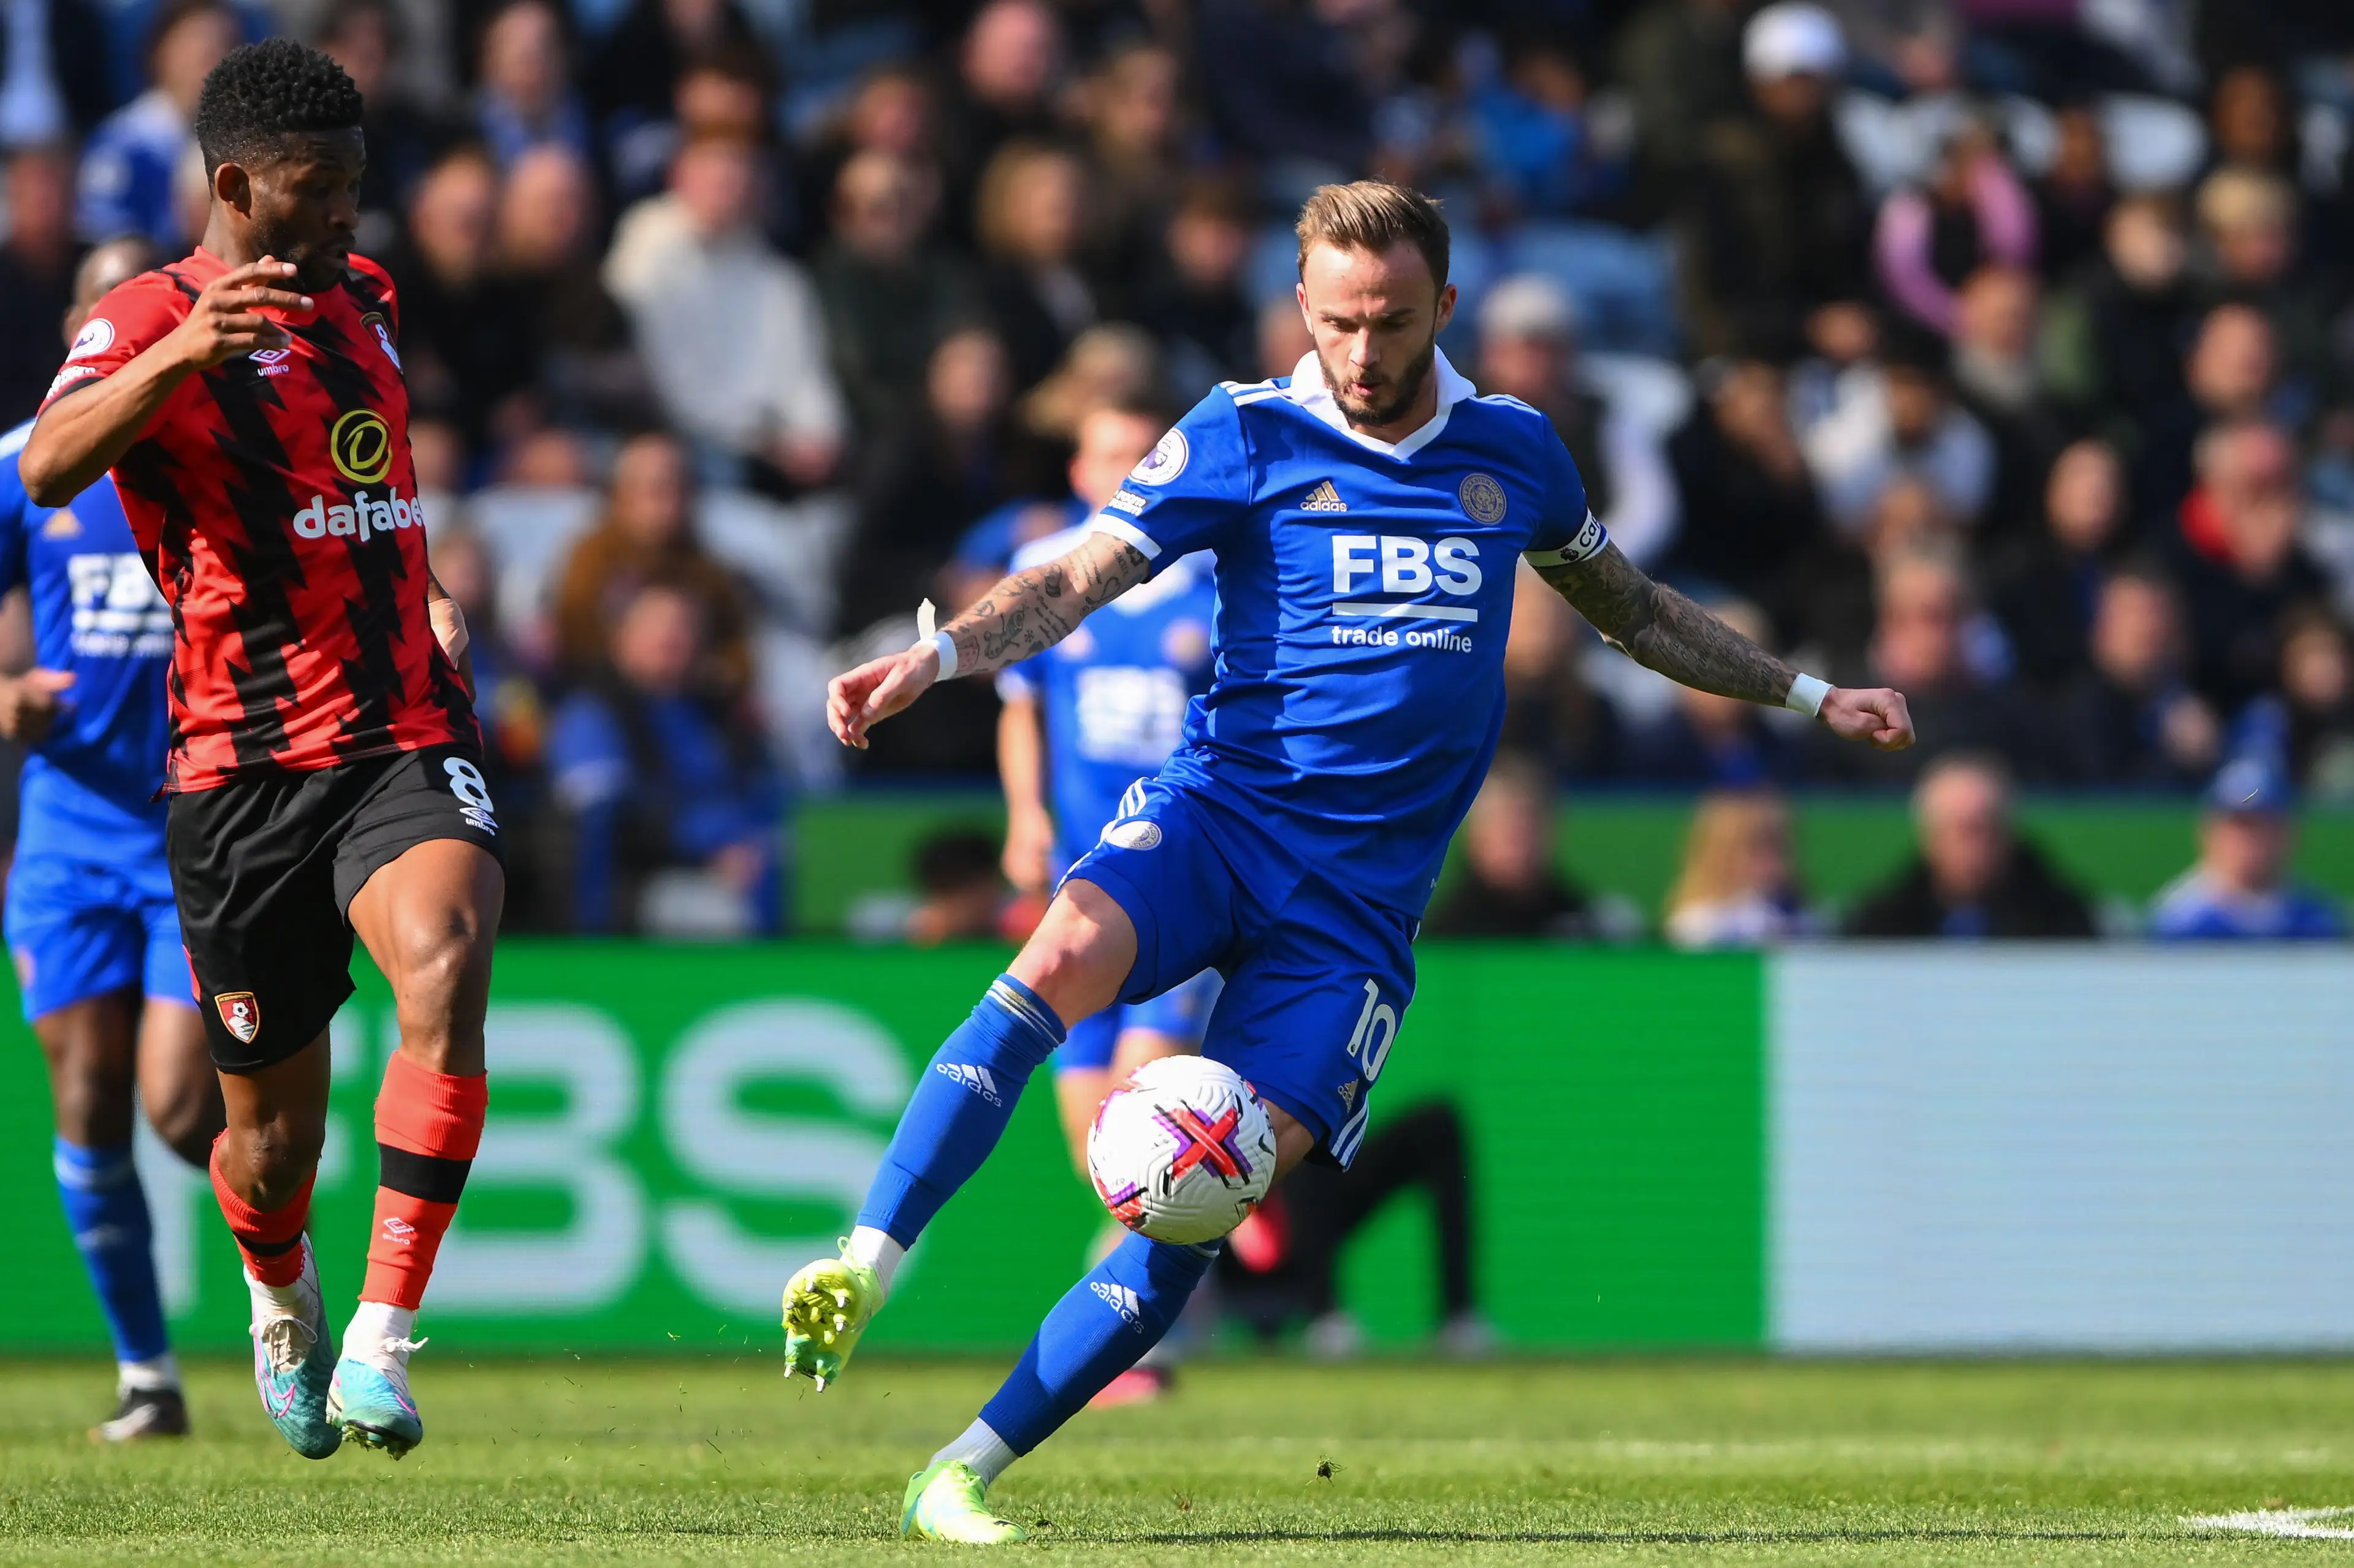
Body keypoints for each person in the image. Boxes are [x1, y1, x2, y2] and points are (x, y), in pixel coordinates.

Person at [803, 180, 1912, 1542]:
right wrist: (944, 654)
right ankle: (864, 1264)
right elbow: (1080, 575)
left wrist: (1808, 695)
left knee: (1204, 1194)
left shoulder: (1516, 453)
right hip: (1222, 817)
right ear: (1301, 308)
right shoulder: (1245, 430)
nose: (1363, 352)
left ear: (1445, 308)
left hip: (1358, 910)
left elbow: (1634, 613)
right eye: (1336, 320)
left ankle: (960, 1468)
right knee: (1052, 962)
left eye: (1390, 321)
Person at [20, 39, 503, 1463]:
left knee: (449, 954)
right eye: (324, 184)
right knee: (263, 1144)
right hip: (236, 767)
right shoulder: (139, 317)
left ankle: (378, 1339)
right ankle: (281, 1296)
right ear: (238, 184)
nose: (353, 209)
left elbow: (376, 469)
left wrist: (421, 585)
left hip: (400, 723)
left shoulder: (367, 296)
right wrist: (183, 355)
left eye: (360, 179)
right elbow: (46, 468)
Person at [0, 237, 222, 1442]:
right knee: (85, 1098)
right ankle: (150, 1377)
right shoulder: (24, 470)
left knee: (183, 1111)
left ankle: (284, 1284)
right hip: (70, 831)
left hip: (197, 827)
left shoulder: (218, 456)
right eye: (103, 306)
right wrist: (3, 698)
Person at [994, 451, 1221, 1402]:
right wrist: (1026, 815)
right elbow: (1021, 706)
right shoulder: (1050, 569)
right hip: (1078, 894)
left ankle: (1142, 1347)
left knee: (1153, 1124)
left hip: (1173, 884)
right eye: (1106, 448)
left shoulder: (1210, 574)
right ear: (1081, 461)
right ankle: (1172, 1297)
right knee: (1107, 1152)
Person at [1843, 753, 2095, 938]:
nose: (1975, 850)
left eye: (1987, 829)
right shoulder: (1881, 926)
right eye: (1962, 832)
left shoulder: (2062, 922)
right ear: (1930, 838)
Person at [1423, 753, 1623, 939]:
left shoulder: (1584, 923)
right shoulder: (1445, 936)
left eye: (1531, 822)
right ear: (1475, 835)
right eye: (1506, 823)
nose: (1520, 837)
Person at [2149, 754, 2344, 940]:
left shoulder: (2317, 920)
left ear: (2288, 833)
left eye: (2263, 825)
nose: (2250, 840)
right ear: (2210, 832)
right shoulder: (2180, 923)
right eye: (2240, 826)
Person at [1663, 789, 1812, 947]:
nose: (1775, 861)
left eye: (1781, 847)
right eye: (1757, 850)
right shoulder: (1698, 924)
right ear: (1722, 856)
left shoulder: (1803, 918)